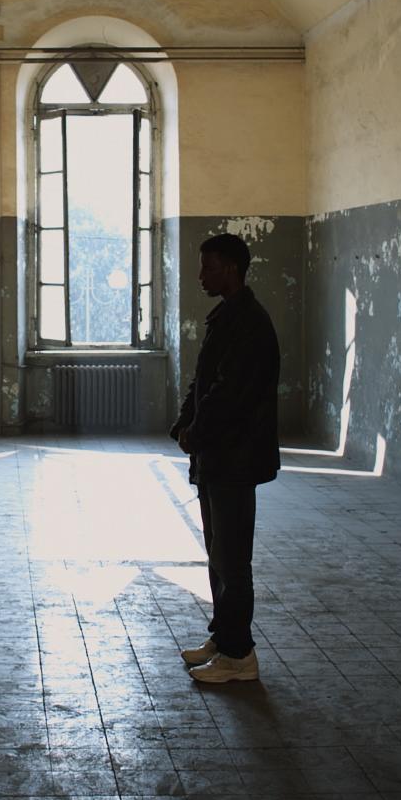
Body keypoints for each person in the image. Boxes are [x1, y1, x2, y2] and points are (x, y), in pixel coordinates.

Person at [169, 233, 280, 684]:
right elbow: (204, 382)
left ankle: (239, 656)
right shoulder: (227, 317)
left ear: (232, 268)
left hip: (235, 458)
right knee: (219, 554)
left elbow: (229, 395)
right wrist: (185, 422)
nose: (201, 276)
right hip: (218, 456)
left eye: (209, 267)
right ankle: (224, 636)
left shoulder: (249, 323)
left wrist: (196, 431)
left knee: (233, 560)